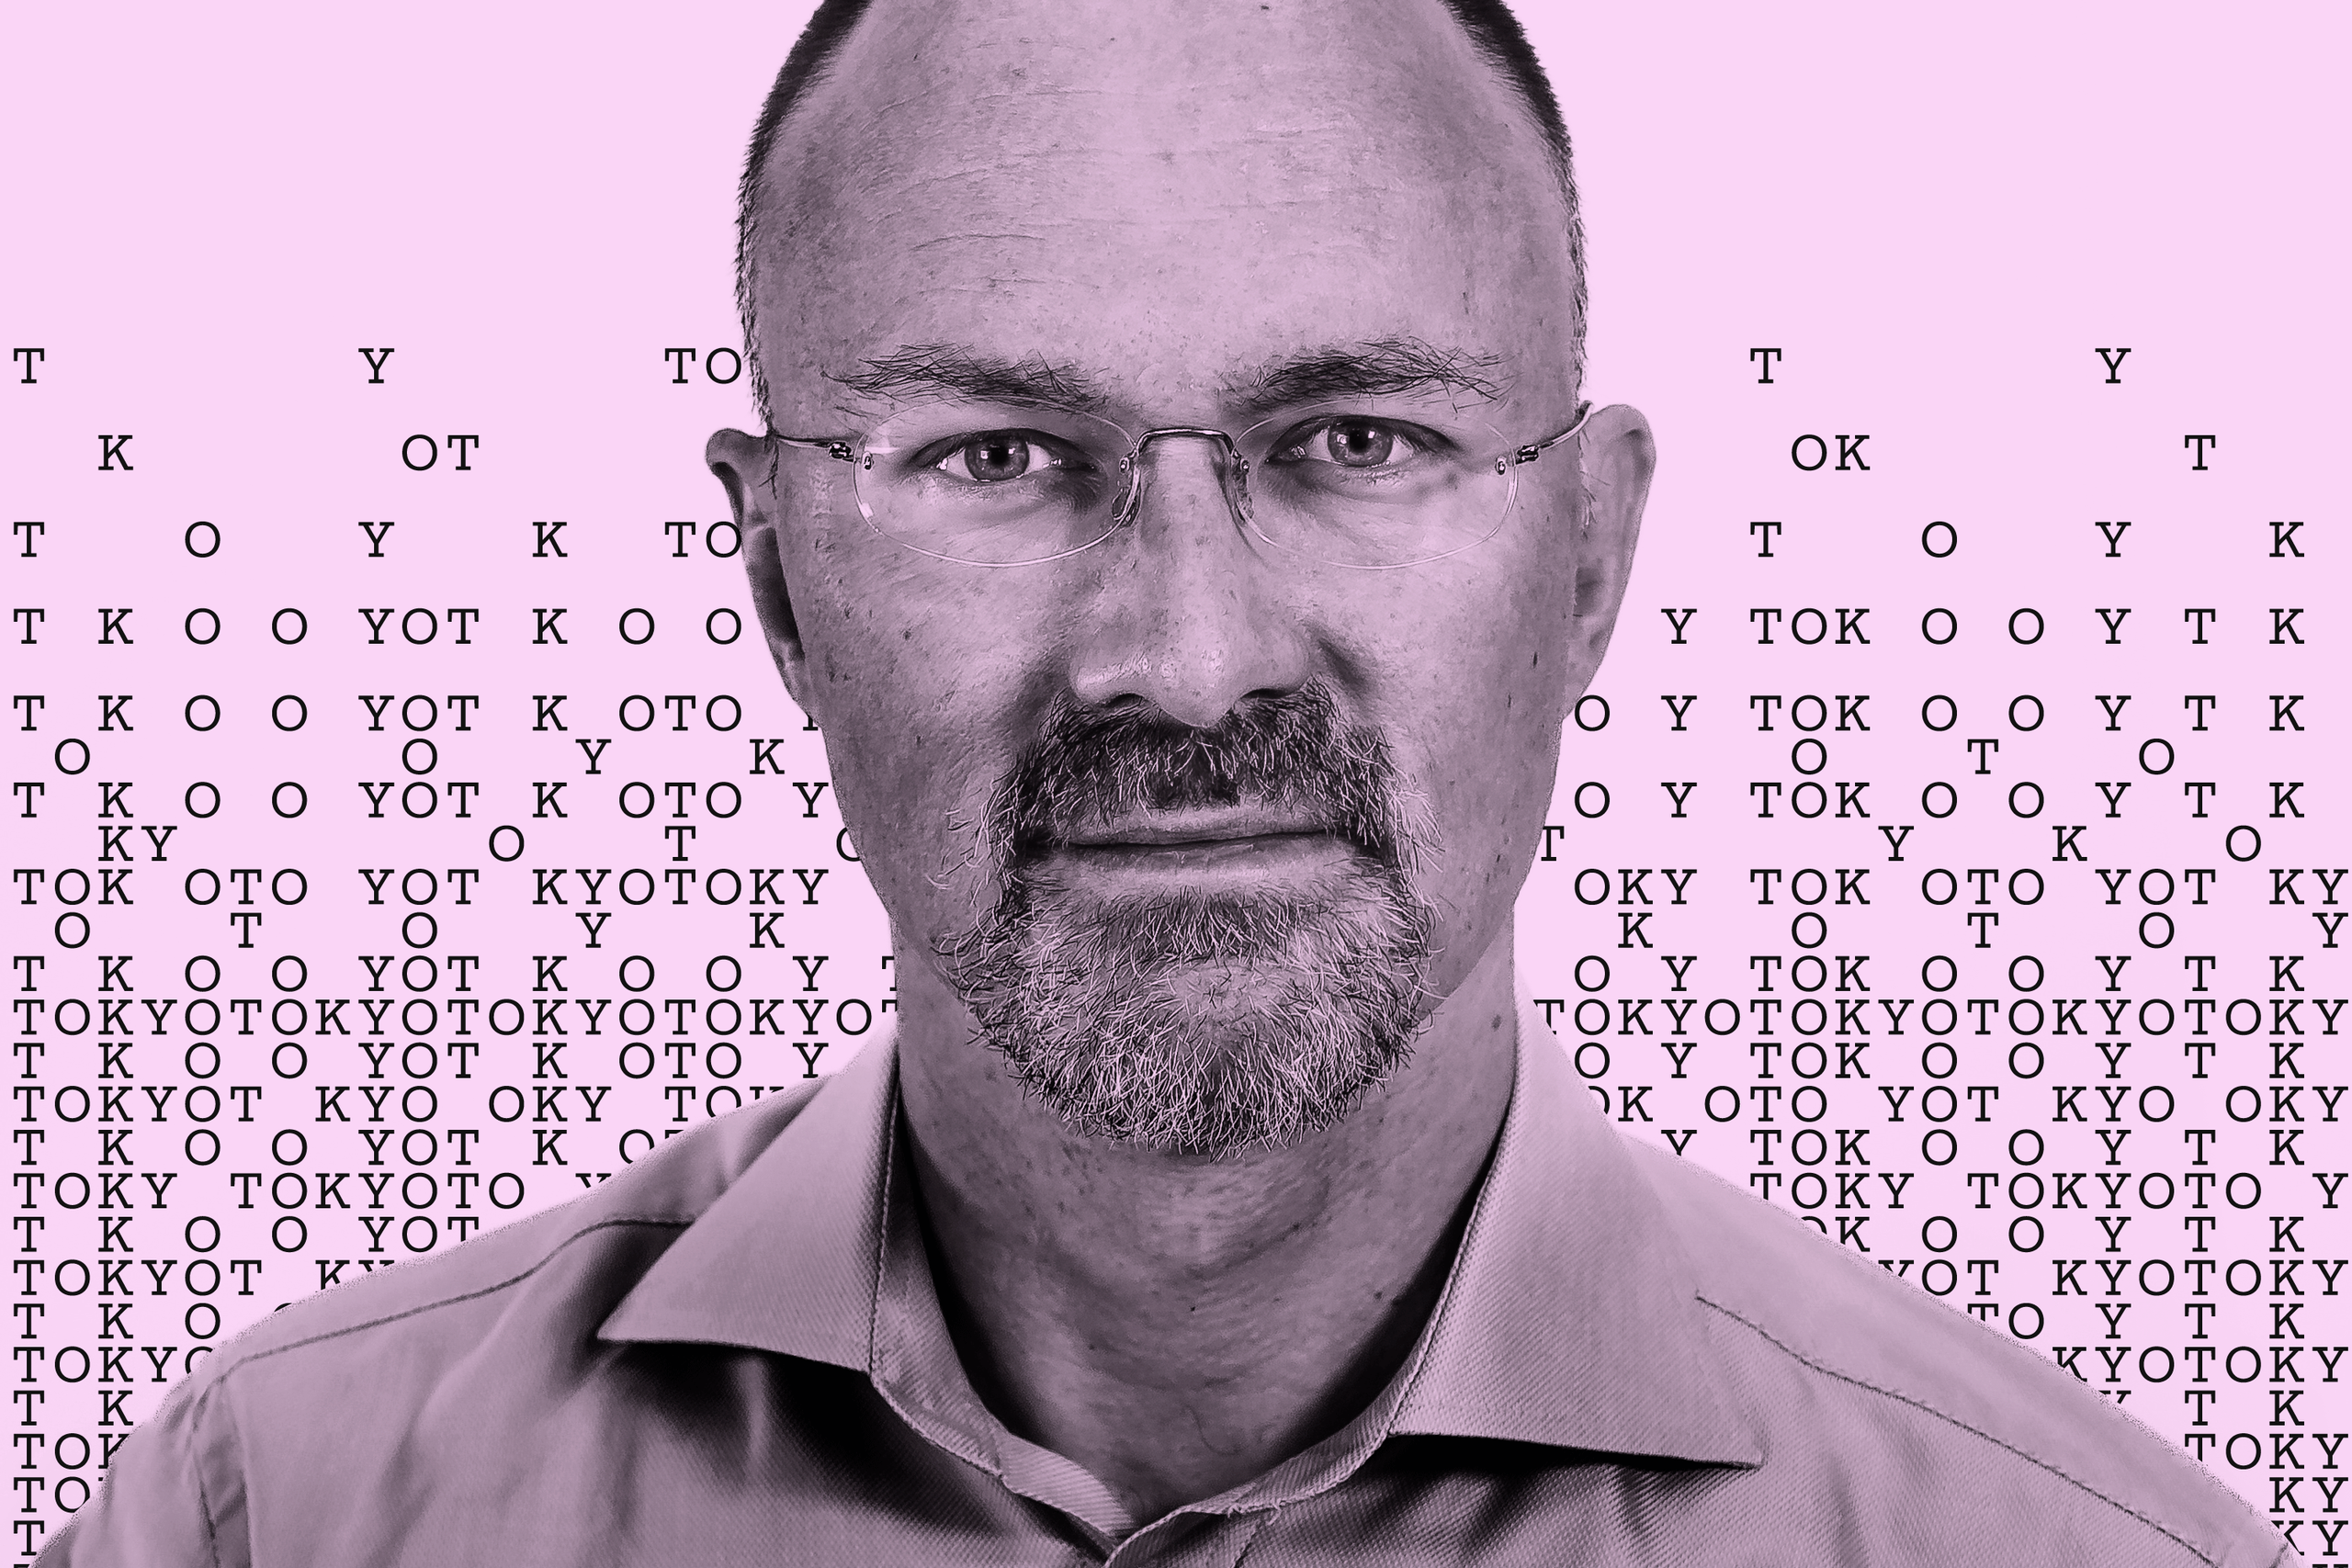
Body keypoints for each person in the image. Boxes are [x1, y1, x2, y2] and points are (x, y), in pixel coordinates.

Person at [46, 0, 2295, 1562]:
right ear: (780, 583)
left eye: (1354, 440)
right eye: (996, 456)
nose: (1190, 659)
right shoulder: (264, 1517)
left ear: (1588, 559)